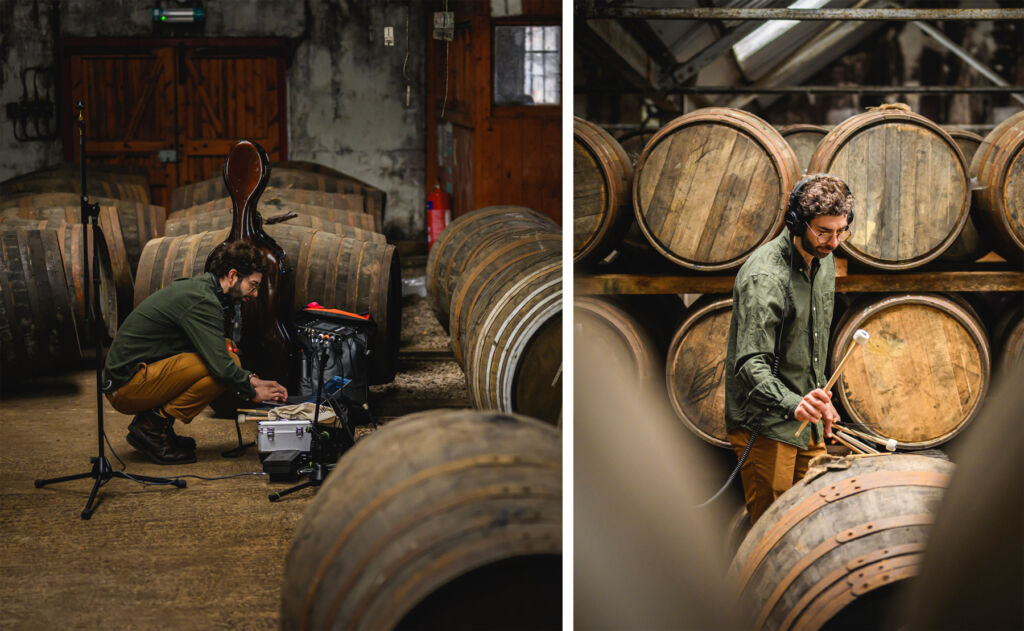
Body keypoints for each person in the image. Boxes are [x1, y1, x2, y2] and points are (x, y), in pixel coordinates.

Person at [724, 173, 855, 525]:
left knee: (812, 524)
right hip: (766, 424)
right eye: (824, 232)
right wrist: (793, 403)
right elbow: (750, 364)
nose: (833, 242)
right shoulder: (765, 276)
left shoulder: (824, 262)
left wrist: (820, 401)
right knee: (773, 532)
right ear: (798, 222)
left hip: (805, 421)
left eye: (841, 231)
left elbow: (811, 345)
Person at [101, 241, 288, 465]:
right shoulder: (203, 301)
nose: (256, 294)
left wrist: (252, 380)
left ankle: (156, 425)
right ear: (232, 275)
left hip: (133, 377)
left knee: (226, 351)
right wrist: (252, 392)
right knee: (220, 367)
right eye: (253, 285)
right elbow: (220, 364)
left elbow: (216, 350)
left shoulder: (202, 290)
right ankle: (150, 428)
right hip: (124, 388)